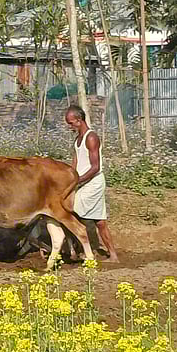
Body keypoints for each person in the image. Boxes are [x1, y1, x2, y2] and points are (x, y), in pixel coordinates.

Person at [65, 104, 119, 263]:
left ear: (79, 120)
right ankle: (112, 255)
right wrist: (68, 178)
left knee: (72, 208)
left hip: (93, 182)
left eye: (71, 123)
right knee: (100, 222)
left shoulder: (91, 137)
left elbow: (95, 167)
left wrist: (76, 181)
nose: (69, 126)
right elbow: (75, 162)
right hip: (82, 182)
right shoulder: (78, 140)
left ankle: (83, 248)